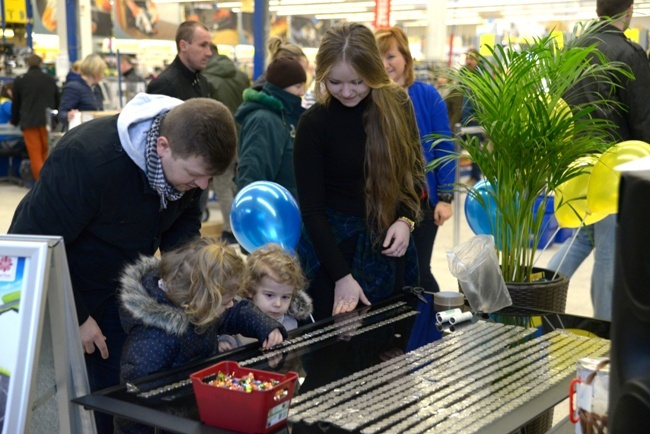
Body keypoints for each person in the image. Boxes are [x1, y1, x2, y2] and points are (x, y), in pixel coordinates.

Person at [8, 93, 237, 433]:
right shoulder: (87, 159)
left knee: (120, 389)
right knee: (69, 396)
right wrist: (78, 314)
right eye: (196, 175)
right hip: (67, 285)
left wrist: (194, 275)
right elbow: (30, 240)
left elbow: (184, 219)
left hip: (123, 285)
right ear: (162, 146)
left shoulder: (188, 159)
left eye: (208, 178)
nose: (202, 186)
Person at [293, 22, 425, 321]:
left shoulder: (397, 105)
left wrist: (405, 220)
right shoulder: (314, 124)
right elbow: (312, 211)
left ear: (374, 74)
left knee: (390, 351)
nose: (347, 91)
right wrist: (342, 277)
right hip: (331, 256)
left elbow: (413, 173)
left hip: (390, 248)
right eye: (335, 82)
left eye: (357, 81)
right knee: (334, 356)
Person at [115, 237, 286, 434]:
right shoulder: (154, 338)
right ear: (204, 299)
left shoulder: (200, 305)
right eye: (225, 302)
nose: (230, 305)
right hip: (174, 422)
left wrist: (265, 326)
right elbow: (134, 404)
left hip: (201, 408)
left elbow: (235, 312)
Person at [547, 0, 650, 321]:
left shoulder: (571, 50)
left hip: (573, 164)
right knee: (610, 251)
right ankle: (606, 332)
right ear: (630, 9)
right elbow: (643, 118)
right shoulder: (630, 54)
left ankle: (532, 302)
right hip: (613, 167)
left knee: (582, 240)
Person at [375, 26, 455, 296]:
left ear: (406, 58)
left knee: (419, 269)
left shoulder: (426, 95)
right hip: (382, 202)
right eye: (379, 58)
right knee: (390, 271)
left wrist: (445, 197)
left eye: (391, 57)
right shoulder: (370, 97)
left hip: (421, 201)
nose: (385, 65)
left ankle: (435, 323)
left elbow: (444, 146)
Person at [218, 243, 312, 351]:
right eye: (269, 295)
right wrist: (224, 341)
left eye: (285, 297)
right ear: (250, 290)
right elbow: (225, 331)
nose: (278, 304)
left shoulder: (291, 324)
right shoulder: (238, 317)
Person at [235, 57, 306, 199]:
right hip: (272, 210)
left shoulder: (285, 116)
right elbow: (252, 171)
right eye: (297, 86)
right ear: (281, 87)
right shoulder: (264, 121)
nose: (302, 92)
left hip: (286, 205)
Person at [203, 43, 250, 245]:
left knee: (221, 184)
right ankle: (240, 222)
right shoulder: (240, 75)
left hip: (219, 136)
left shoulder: (206, 77)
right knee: (232, 182)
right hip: (241, 134)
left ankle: (231, 229)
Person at [10, 54, 60, 181]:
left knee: (35, 155)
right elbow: (58, 100)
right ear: (41, 64)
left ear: (27, 64)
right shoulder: (49, 79)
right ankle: (50, 181)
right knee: (47, 153)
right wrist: (57, 120)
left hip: (29, 122)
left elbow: (16, 104)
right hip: (47, 122)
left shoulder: (20, 80)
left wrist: (14, 121)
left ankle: (41, 184)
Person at [146, 20, 212, 100]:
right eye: (203, 45)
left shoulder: (202, 82)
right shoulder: (164, 85)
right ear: (183, 46)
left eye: (209, 46)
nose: (209, 53)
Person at [57, 53, 107, 127]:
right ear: (95, 72)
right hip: (80, 131)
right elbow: (62, 114)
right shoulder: (73, 87)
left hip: (95, 129)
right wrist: (69, 115)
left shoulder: (96, 88)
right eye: (102, 72)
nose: (103, 75)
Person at [461, 47, 484, 185]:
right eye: (467, 58)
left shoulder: (481, 76)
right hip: (463, 118)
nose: (468, 61)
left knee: (476, 150)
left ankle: (475, 176)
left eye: (471, 58)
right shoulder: (463, 74)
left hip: (475, 119)